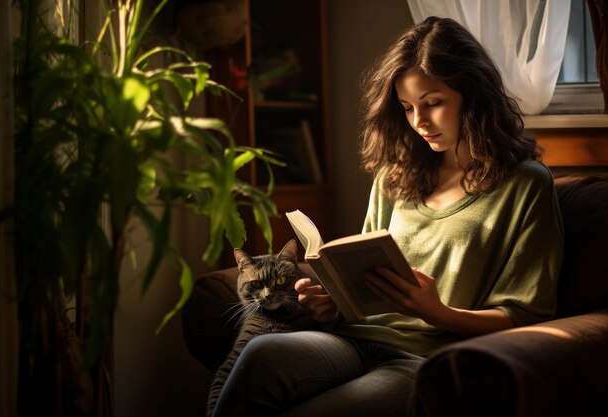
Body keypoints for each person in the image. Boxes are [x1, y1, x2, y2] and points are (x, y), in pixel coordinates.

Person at [210, 16, 564, 417]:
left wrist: (437, 312)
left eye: (433, 103)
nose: (419, 122)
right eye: (407, 107)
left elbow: (526, 315)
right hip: (349, 339)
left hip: (421, 356)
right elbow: (363, 285)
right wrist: (331, 302)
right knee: (262, 353)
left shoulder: (526, 185)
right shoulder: (395, 177)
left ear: (472, 94)